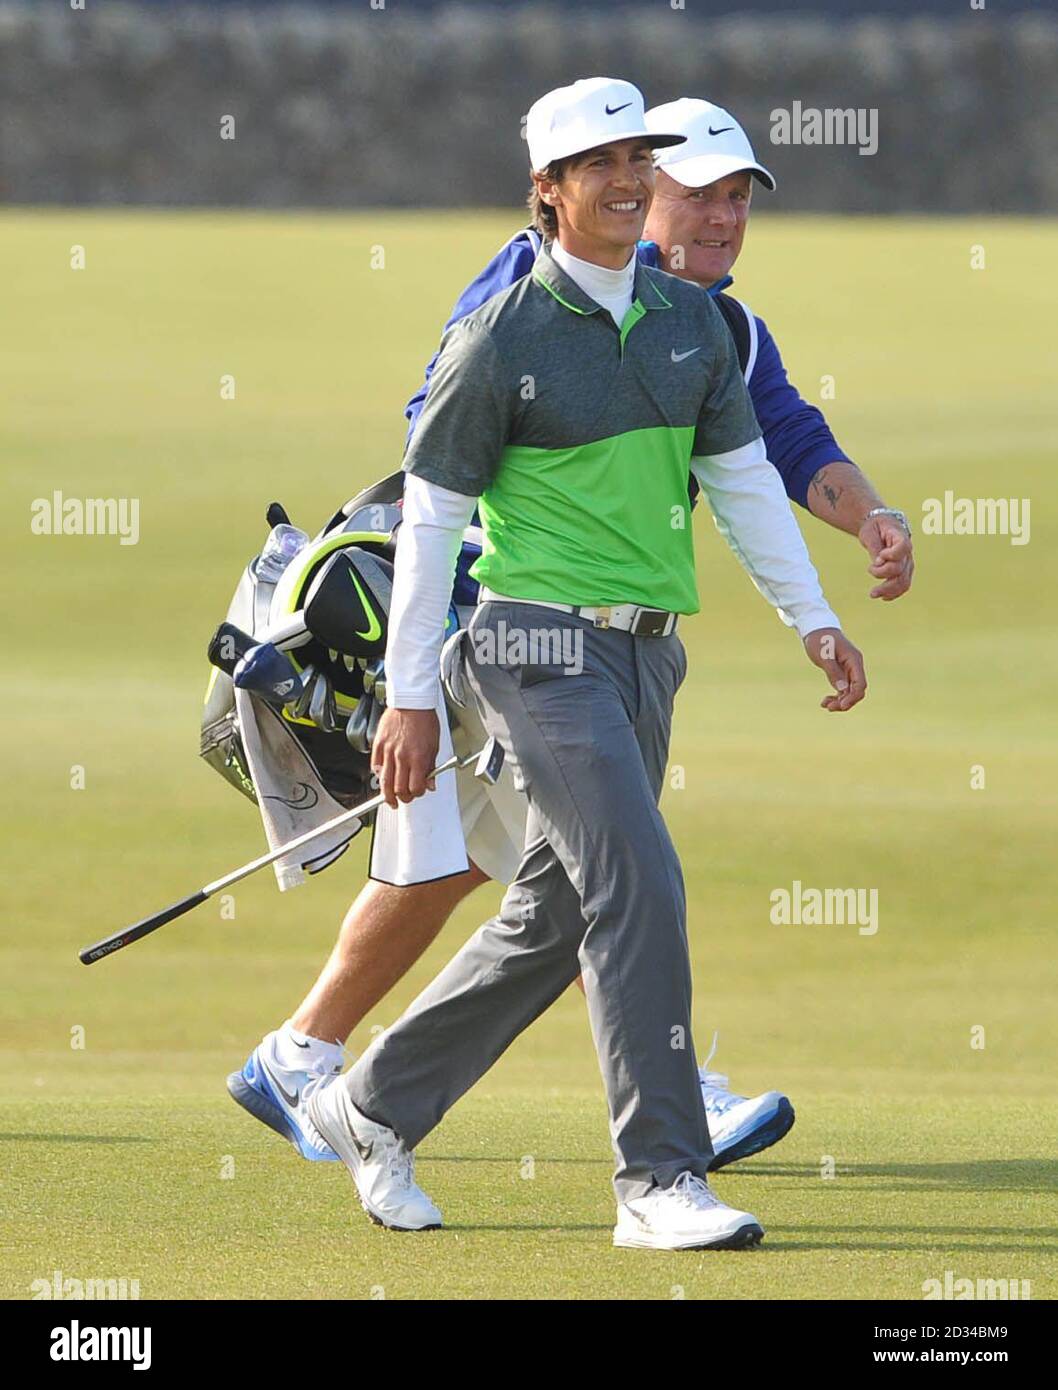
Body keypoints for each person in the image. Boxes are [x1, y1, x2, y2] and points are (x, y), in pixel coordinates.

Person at [229, 92, 913, 1178]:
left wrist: (862, 522)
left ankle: (313, 1060)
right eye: (696, 194)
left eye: (736, 200)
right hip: (502, 630)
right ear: (608, 191)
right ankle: (662, 1127)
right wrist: (416, 664)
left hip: (609, 642)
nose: (719, 219)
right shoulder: (526, 288)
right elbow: (439, 452)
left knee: (507, 870)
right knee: (609, 860)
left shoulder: (714, 324)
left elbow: (777, 444)